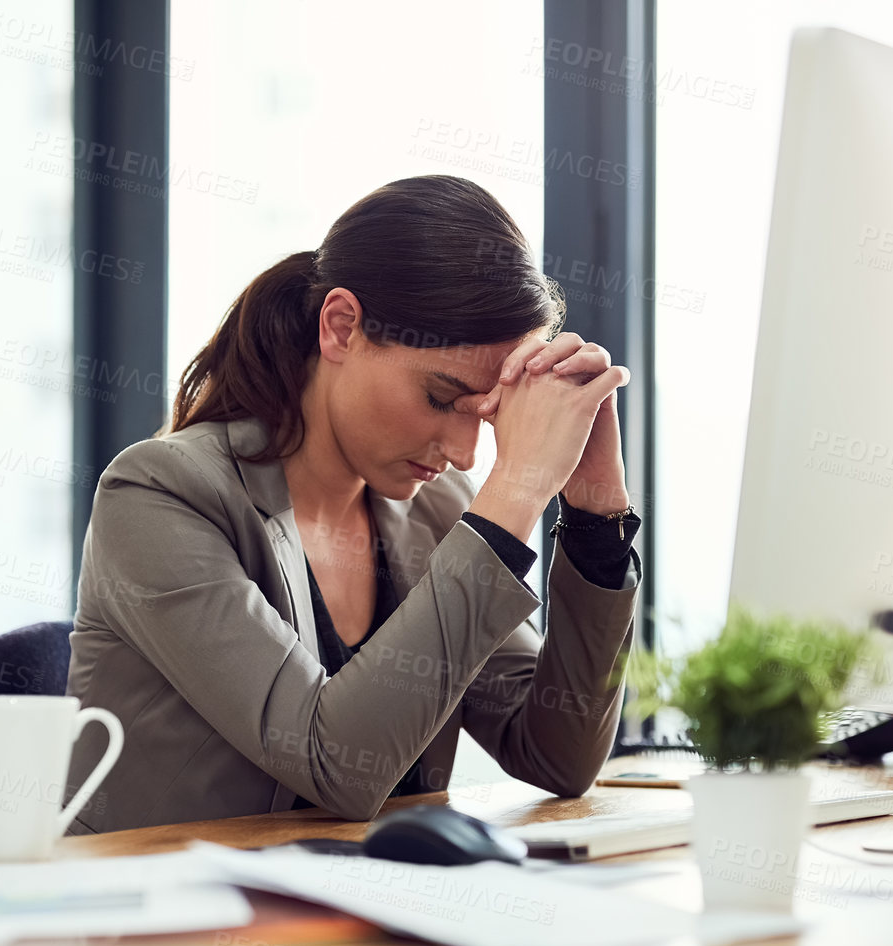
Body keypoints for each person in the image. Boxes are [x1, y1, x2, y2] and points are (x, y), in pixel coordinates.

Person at [63, 174, 642, 831]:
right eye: (440, 396)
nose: (463, 452)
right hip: (173, 919)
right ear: (341, 328)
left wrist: (595, 514)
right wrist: (516, 491)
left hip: (369, 913)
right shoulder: (158, 495)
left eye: (486, 414)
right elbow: (335, 763)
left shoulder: (435, 511)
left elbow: (555, 756)